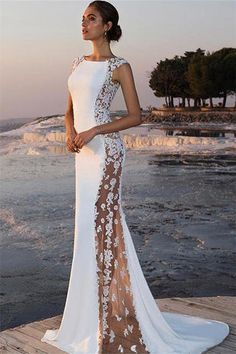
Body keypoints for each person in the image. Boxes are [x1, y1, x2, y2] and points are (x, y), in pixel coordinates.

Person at [41, 1, 229, 353]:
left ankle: (114, 315)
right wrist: (69, 133)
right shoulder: (76, 64)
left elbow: (136, 116)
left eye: (91, 19)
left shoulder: (119, 66)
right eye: (82, 19)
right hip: (82, 157)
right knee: (86, 230)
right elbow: (68, 111)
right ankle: (90, 315)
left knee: (104, 227)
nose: (84, 24)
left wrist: (95, 129)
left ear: (108, 25)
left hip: (105, 155)